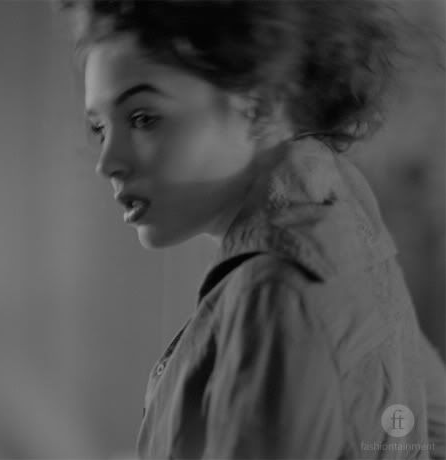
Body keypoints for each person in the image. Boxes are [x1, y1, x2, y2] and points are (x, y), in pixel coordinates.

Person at [58, 1, 446, 458]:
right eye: (100, 128)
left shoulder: (277, 289)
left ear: (259, 107)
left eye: (143, 118)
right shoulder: (341, 215)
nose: (108, 163)